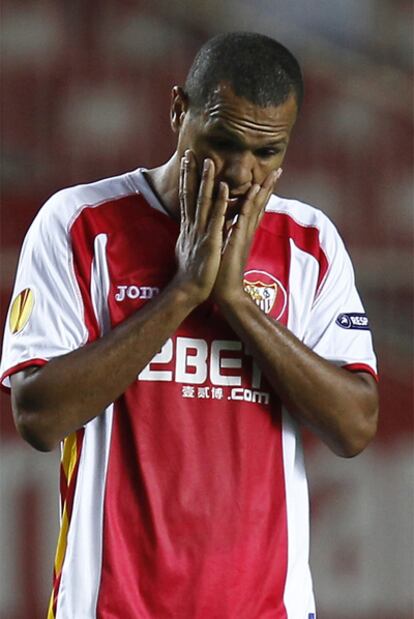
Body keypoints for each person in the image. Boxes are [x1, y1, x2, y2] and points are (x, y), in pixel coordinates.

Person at [0, 32, 378, 618]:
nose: (241, 171)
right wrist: (182, 295)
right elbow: (38, 416)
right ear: (179, 109)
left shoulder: (309, 243)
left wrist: (238, 305)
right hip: (107, 607)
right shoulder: (79, 225)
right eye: (222, 142)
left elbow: (355, 426)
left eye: (268, 153)